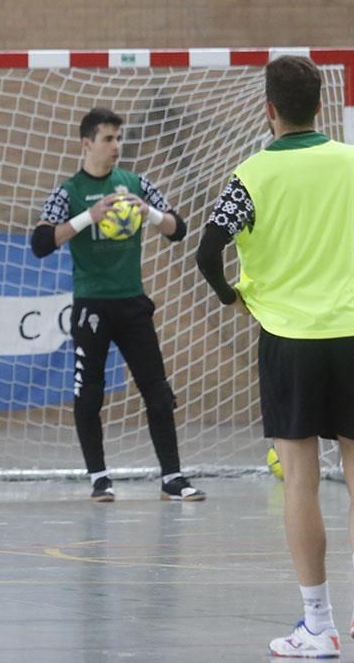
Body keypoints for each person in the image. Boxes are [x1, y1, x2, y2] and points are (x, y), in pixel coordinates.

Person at [196, 55, 354, 659]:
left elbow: (208, 253)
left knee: (302, 484)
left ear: (268, 109)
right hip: (350, 336)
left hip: (290, 340)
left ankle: (318, 626)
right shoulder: (347, 163)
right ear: (320, 104)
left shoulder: (252, 175)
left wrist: (234, 297)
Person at [31, 107, 205, 503]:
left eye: (119, 138)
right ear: (87, 143)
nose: (116, 146)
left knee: (157, 392)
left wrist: (151, 213)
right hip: (92, 305)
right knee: (89, 394)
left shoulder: (135, 183)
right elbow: (40, 243)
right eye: (108, 139)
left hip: (132, 304)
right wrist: (87, 217)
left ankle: (172, 479)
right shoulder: (69, 191)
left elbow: (179, 229)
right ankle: (100, 479)